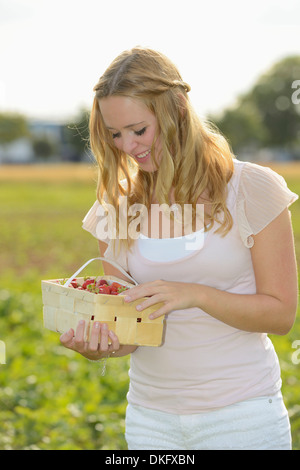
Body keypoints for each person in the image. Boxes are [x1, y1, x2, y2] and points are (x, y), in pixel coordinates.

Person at [60, 46, 298, 450]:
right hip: (150, 422)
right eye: (115, 134)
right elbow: (131, 331)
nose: (128, 147)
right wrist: (99, 347)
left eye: (139, 130)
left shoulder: (251, 188)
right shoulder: (114, 208)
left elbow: (280, 314)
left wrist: (194, 295)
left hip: (241, 418)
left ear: (179, 108)